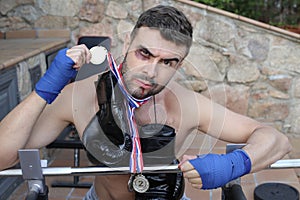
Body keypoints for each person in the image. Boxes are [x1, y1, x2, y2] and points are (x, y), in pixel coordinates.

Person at [0, 5, 291, 200]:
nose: (151, 72)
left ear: (179, 65)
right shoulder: (80, 96)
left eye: (167, 61)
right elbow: (3, 157)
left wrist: (233, 164)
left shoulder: (187, 105)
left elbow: (276, 140)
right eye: (144, 54)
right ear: (127, 45)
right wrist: (45, 89)